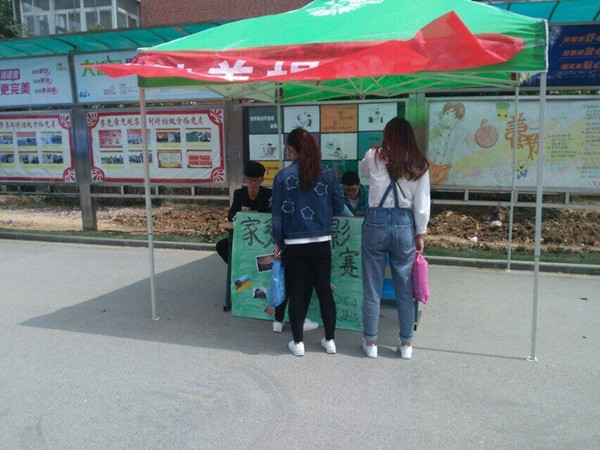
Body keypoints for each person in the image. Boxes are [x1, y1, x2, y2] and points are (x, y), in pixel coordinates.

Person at [360, 117, 430, 360]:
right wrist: (420, 233)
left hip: (375, 221)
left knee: (372, 286)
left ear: (387, 134)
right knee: (404, 287)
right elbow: (422, 203)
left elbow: (363, 174)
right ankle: (406, 343)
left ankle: (370, 342)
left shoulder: (373, 156)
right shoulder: (419, 163)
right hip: (403, 223)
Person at [272, 127, 345, 356]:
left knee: (296, 292)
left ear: (291, 149)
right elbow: (339, 205)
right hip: (321, 241)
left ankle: (298, 343)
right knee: (324, 291)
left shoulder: (282, 177)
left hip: (294, 244)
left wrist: (278, 241)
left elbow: (277, 215)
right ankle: (330, 341)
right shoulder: (327, 175)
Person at [216, 161, 272, 264]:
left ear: (261, 180)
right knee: (221, 245)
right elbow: (231, 215)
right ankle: (237, 267)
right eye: (250, 180)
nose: (253, 183)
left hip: (262, 236)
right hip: (243, 234)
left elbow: (271, 216)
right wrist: (240, 217)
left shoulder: (269, 195)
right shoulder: (239, 194)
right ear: (245, 178)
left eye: (256, 180)